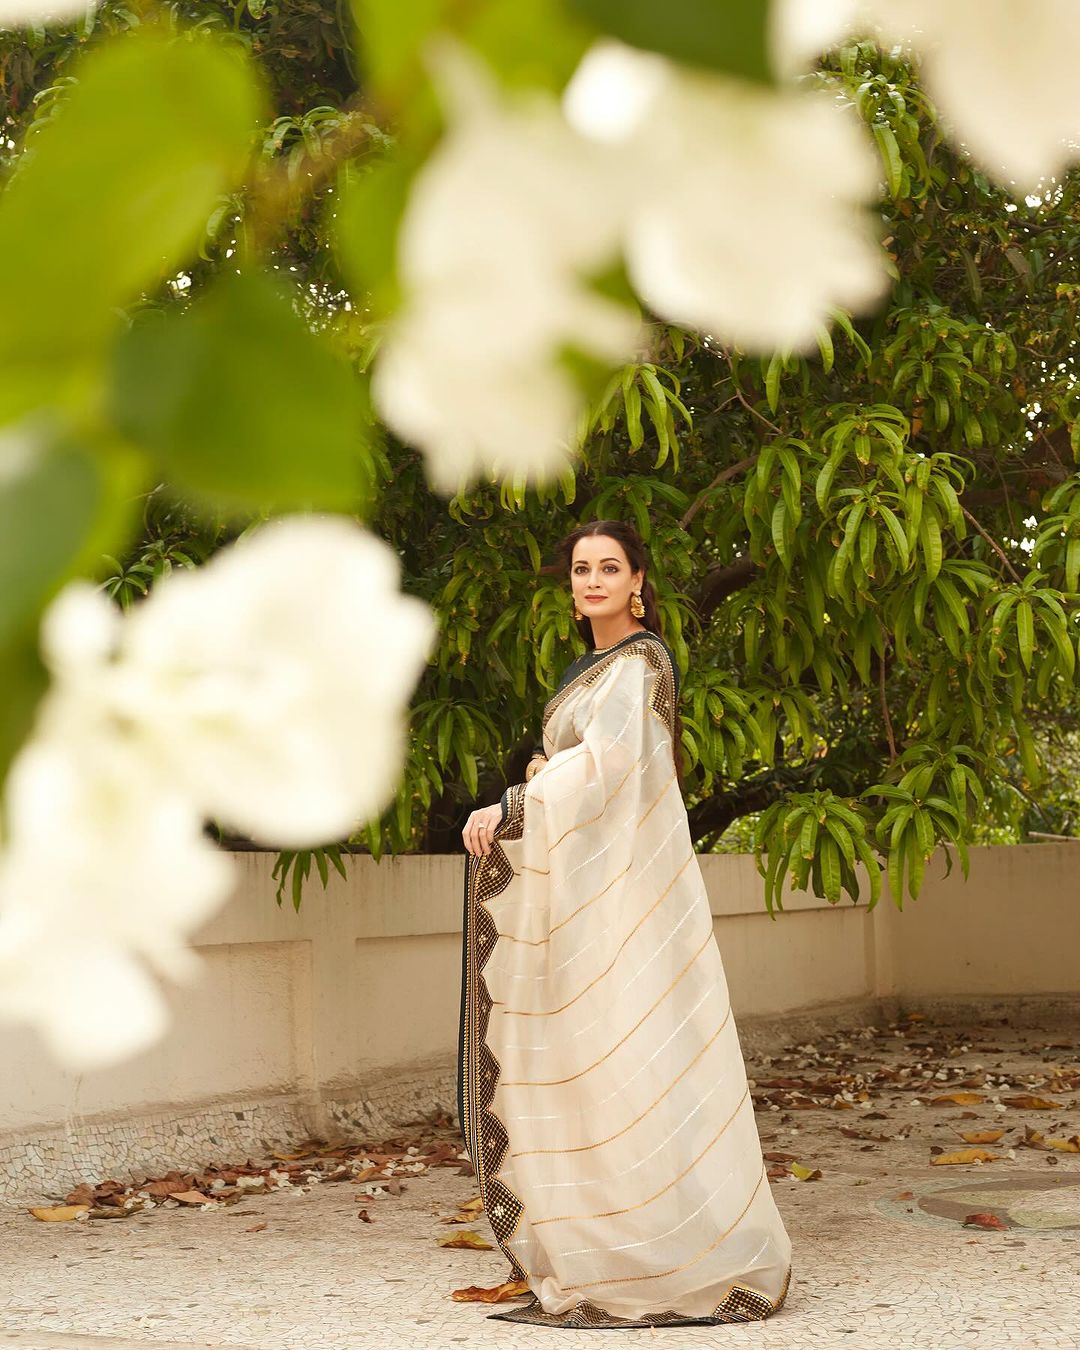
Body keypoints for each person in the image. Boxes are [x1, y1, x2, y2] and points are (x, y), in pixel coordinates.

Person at [457, 520, 792, 1328]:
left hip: (627, 899)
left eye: (610, 567)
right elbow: (582, 764)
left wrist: (512, 803)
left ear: (638, 579)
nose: (595, 579)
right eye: (582, 569)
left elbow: (609, 769)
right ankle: (605, 1238)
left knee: (638, 1051)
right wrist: (540, 779)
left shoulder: (640, 665)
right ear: (570, 588)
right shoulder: (594, 670)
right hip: (591, 894)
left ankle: (670, 1248)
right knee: (597, 1057)